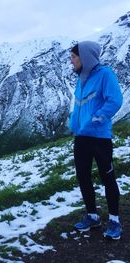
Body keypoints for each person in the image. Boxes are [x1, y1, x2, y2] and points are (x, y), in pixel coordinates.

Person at [69, 41, 123, 240]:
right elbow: (79, 105)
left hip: (99, 137)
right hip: (81, 137)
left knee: (107, 177)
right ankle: (92, 216)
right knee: (83, 176)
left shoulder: (105, 75)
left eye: (74, 57)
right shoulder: (80, 79)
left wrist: (98, 117)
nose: (71, 61)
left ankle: (114, 220)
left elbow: (115, 100)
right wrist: (73, 123)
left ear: (85, 57)